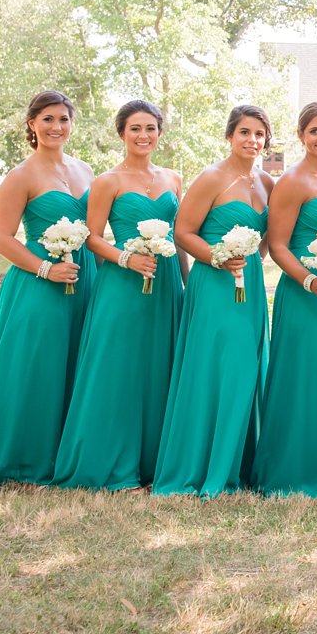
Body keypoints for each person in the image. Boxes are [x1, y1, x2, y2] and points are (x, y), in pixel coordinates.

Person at [0, 91, 96, 487]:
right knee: (34, 367)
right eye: (48, 119)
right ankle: (18, 461)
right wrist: (45, 270)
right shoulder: (20, 176)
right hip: (38, 283)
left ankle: (64, 457)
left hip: (85, 279)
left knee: (77, 365)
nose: (56, 127)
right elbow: (1, 239)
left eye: (63, 119)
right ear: (32, 124)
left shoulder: (85, 171)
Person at [54, 99, 185, 491]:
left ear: (160, 133)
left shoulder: (174, 179)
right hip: (121, 284)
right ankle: (108, 464)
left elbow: (178, 236)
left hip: (164, 286)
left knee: (157, 368)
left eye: (150, 128)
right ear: (122, 134)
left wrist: (184, 284)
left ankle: (152, 464)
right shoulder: (108, 181)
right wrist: (127, 259)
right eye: (135, 129)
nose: (143, 136)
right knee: (117, 369)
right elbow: (91, 238)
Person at [151, 105, 273, 497]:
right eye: (244, 133)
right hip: (214, 281)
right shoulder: (212, 177)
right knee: (215, 369)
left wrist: (252, 259)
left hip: (249, 283)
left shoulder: (268, 182)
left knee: (245, 369)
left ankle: (236, 464)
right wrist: (219, 257)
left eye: (259, 134)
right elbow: (182, 232)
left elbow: (269, 238)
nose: (252, 140)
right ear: (230, 136)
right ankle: (203, 469)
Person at [250, 103, 317, 498]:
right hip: (304, 291)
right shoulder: (291, 182)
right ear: (300, 135)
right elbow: (277, 246)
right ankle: (295, 470)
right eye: (314, 131)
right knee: (305, 377)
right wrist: (311, 281)